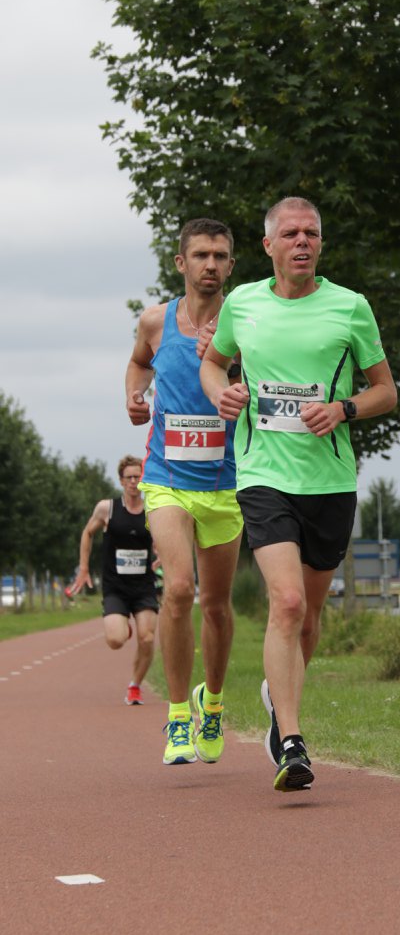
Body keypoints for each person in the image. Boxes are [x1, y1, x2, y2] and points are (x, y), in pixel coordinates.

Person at [199, 196, 397, 792]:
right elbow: (214, 364)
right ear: (269, 246)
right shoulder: (243, 303)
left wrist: (344, 408)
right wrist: (221, 394)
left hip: (329, 481)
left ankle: (276, 698)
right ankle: (290, 740)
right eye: (290, 234)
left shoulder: (350, 308)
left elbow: (385, 389)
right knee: (285, 603)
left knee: (308, 615)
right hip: (261, 472)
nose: (302, 242)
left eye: (311, 233)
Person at [126, 218, 244, 766]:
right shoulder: (155, 321)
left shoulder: (246, 322)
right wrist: (135, 396)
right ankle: (177, 717)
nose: (211, 265)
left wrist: (235, 361)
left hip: (226, 484)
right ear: (181, 263)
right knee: (177, 589)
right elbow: (138, 363)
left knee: (216, 606)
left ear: (232, 264)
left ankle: (212, 704)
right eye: (200, 255)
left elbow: (272, 379)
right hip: (166, 478)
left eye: (220, 256)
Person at [71, 455, 159, 705]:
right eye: (129, 477)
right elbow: (87, 533)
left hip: (143, 587)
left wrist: (161, 556)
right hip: (115, 588)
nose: (133, 481)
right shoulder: (106, 508)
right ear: (121, 481)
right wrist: (84, 568)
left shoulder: (152, 509)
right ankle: (124, 626)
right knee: (115, 640)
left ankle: (135, 685)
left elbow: (163, 540)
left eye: (137, 476)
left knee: (148, 638)